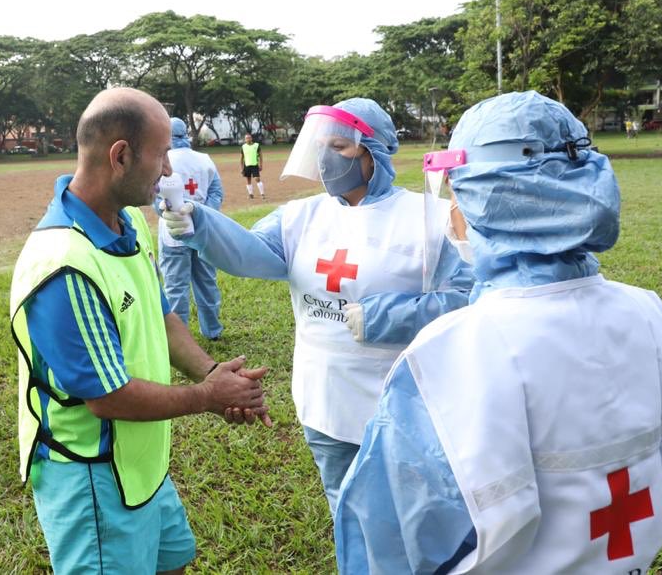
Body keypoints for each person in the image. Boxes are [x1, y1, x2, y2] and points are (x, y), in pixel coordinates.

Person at [335, 91, 662, 574]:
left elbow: (396, 533)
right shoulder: (647, 311)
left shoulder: (453, 350)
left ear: (486, 201)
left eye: (457, 193)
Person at [163, 98, 473, 513]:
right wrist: (199, 223)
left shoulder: (429, 218)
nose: (326, 158)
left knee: (410, 515)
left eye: (340, 147)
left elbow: (469, 298)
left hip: (405, 405)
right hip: (324, 402)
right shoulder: (300, 216)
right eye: (321, 145)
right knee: (345, 510)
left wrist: (391, 316)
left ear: (373, 151)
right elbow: (249, 251)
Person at [9, 87, 273, 575]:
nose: (169, 170)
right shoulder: (65, 264)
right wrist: (208, 396)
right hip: (93, 475)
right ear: (121, 156)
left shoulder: (126, 219)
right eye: (162, 154)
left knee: (173, 561)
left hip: (142, 460)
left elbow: (161, 313)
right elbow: (107, 398)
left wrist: (214, 372)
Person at [157, 117, 226, 340]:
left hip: (172, 235)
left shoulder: (162, 161)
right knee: (206, 282)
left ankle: (180, 340)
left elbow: (153, 197)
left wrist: (167, 213)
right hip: (203, 233)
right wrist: (202, 215)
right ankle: (213, 330)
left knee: (176, 287)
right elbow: (217, 193)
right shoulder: (205, 159)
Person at [240, 133, 265, 200]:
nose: (248, 139)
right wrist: (242, 168)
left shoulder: (256, 145)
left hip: (255, 165)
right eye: (246, 138)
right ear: (245, 140)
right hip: (247, 165)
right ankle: (251, 194)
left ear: (251, 138)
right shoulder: (243, 147)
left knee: (257, 178)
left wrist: (261, 165)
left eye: (249, 138)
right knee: (248, 180)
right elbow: (241, 158)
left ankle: (262, 194)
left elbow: (261, 156)